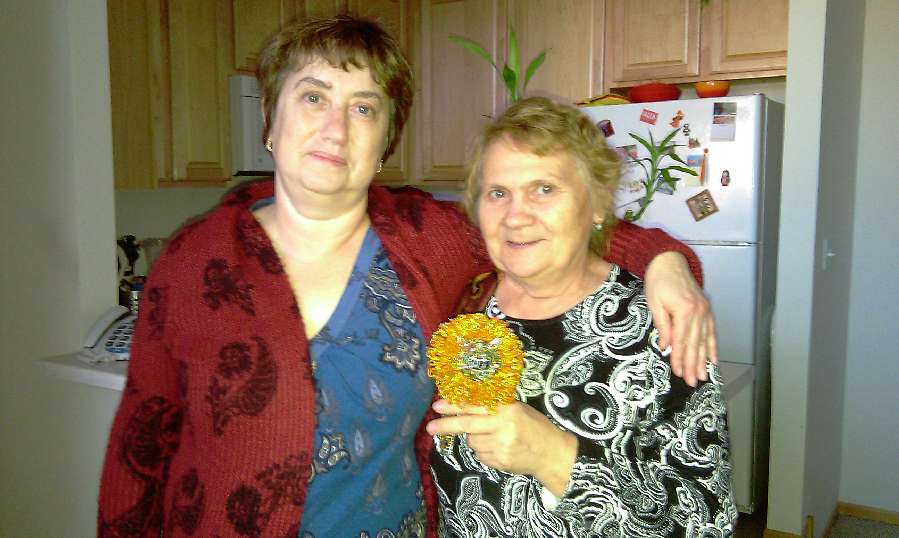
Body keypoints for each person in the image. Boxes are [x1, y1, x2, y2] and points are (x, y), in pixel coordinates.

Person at [98, 15, 716, 537]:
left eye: (363, 108)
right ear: (269, 116)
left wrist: (663, 260)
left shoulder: (427, 238)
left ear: (386, 138)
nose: (335, 127)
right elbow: (141, 445)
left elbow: (543, 229)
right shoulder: (193, 259)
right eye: (312, 97)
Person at [427, 97, 736, 536]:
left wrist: (555, 458)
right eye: (498, 193)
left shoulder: (661, 325)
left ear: (597, 204)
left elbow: (706, 522)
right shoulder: (462, 301)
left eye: (544, 189)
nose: (515, 216)